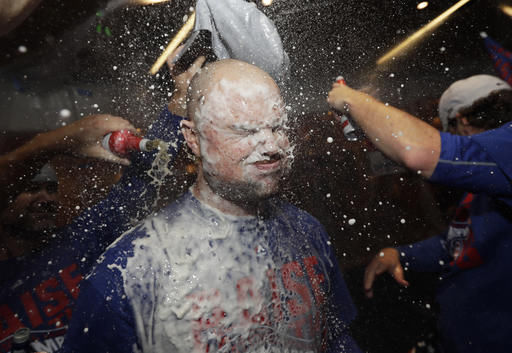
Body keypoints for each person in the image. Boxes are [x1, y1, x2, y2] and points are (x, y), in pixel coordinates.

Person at [61, 59, 361, 353]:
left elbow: (336, 340)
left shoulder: (306, 231)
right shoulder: (132, 270)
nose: (271, 147)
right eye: (245, 131)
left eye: (277, 127)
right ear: (193, 138)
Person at [0, 56, 203, 352]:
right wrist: (64, 140)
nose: (44, 198)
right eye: (30, 190)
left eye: (51, 189)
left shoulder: (79, 244)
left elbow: (139, 186)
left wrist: (181, 100)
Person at [328, 74, 512, 353]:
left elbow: (418, 153)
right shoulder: (489, 177)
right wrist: (403, 254)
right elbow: (461, 242)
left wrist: (353, 99)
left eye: (447, 130)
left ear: (461, 121)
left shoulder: (505, 152)